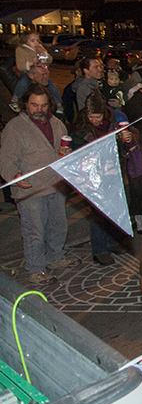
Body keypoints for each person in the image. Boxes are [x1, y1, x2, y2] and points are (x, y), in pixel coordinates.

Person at [0, 85, 80, 285]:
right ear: (26, 104)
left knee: (58, 226)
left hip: (55, 185)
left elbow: (63, 149)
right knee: (34, 231)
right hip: (30, 190)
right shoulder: (15, 127)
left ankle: (56, 258)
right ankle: (36, 269)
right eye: (34, 105)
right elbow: (6, 159)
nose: (39, 109)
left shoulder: (57, 123)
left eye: (44, 105)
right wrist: (13, 176)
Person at [69, 92, 133, 265]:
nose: (94, 120)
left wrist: (124, 139)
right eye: (91, 116)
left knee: (115, 208)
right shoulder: (81, 126)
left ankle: (114, 242)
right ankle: (99, 250)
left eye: (97, 117)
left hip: (114, 171)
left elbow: (122, 145)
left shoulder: (114, 120)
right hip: (93, 175)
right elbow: (77, 149)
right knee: (98, 213)